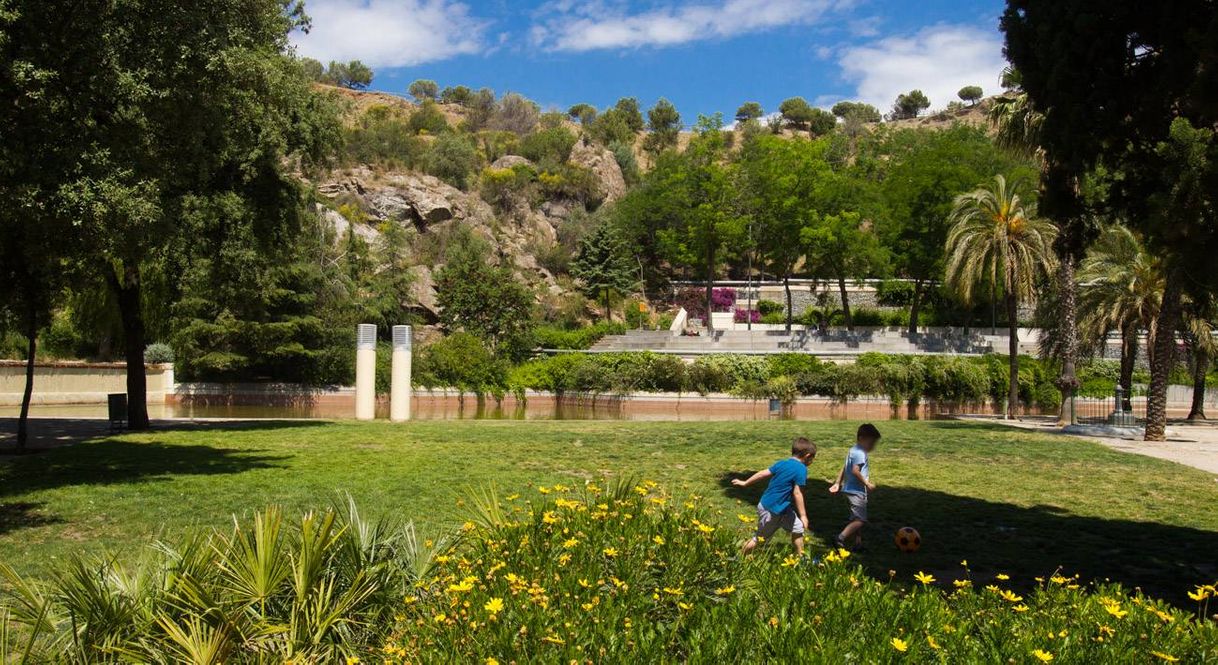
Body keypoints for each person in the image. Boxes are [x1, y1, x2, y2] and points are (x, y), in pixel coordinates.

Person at [732, 437, 816, 556]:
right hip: (771, 510)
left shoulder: (782, 463)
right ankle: (738, 558)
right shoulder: (801, 469)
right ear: (807, 456)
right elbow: (797, 493)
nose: (812, 462)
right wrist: (803, 515)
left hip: (780, 507)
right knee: (760, 539)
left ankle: (800, 558)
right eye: (812, 459)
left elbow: (762, 474)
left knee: (798, 528)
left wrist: (745, 482)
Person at [829, 423, 881, 551]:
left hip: (850, 489)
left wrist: (837, 483)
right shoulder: (860, 453)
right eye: (871, 443)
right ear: (861, 438)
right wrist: (867, 484)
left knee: (856, 518)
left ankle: (858, 543)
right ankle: (840, 537)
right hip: (856, 491)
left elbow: (845, 468)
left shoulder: (854, 450)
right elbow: (855, 471)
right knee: (861, 520)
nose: (872, 446)